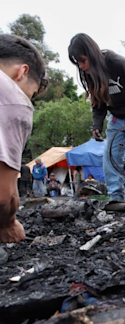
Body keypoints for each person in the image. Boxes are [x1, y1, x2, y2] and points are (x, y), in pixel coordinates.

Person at [68, 33, 125, 203]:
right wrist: (97, 125)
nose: (81, 65)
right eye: (77, 62)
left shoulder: (118, 64)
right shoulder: (90, 74)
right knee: (110, 159)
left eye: (82, 60)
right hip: (116, 118)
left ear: (91, 54)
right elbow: (98, 104)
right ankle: (116, 199)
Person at [0, 34, 46, 242]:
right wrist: (8, 223)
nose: (29, 100)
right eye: (32, 93)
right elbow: (2, 196)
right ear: (22, 71)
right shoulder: (13, 97)